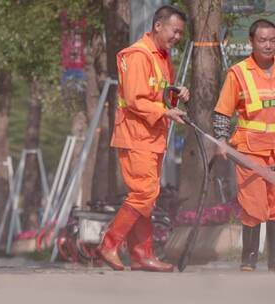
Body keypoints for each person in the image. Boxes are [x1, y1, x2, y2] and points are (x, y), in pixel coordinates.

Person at [97, 5, 189, 272]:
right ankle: (109, 244)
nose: (177, 37)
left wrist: (178, 93)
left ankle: (141, 255)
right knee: (144, 193)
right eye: (175, 31)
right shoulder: (138, 55)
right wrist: (165, 110)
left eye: (181, 34)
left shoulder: (162, 56)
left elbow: (160, 97)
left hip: (152, 136)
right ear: (158, 26)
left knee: (146, 196)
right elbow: (137, 99)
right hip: (136, 136)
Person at [212, 19, 275, 272]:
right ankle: (249, 259)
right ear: (252, 42)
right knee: (253, 205)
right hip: (250, 151)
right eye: (262, 40)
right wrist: (221, 140)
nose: (268, 45)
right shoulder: (238, 73)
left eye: (272, 40)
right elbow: (222, 112)